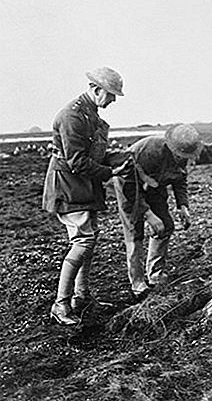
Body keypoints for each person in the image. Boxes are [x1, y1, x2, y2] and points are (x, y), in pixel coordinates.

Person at [42, 66, 125, 326]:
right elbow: (77, 161)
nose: (112, 100)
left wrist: (119, 159)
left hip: (82, 186)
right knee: (83, 242)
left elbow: (92, 155)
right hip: (68, 186)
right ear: (95, 89)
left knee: (89, 240)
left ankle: (81, 297)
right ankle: (61, 304)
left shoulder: (90, 114)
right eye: (110, 95)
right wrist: (110, 172)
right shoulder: (72, 116)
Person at [113, 124, 203, 301]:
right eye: (180, 155)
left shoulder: (184, 153)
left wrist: (182, 205)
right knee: (134, 231)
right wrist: (148, 214)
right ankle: (137, 281)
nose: (182, 158)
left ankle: (155, 273)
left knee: (165, 225)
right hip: (129, 185)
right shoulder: (149, 152)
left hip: (155, 187)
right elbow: (130, 187)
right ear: (171, 146)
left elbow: (180, 179)